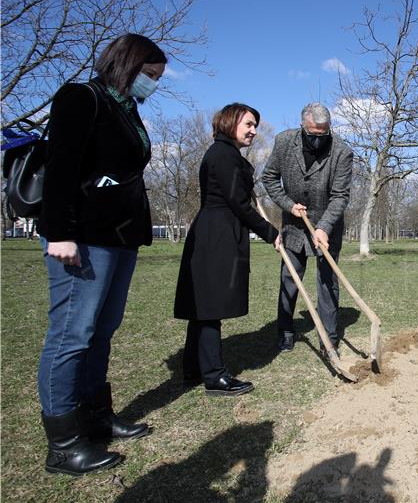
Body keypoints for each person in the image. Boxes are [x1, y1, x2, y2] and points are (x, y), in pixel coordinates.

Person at [36, 34, 167, 476]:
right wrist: (60, 232)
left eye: (158, 79)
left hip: (118, 239)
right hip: (82, 239)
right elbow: (62, 167)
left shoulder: (128, 110)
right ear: (126, 64)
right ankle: (64, 444)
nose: (153, 85)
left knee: (101, 330)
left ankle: (96, 417)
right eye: (150, 75)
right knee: (72, 334)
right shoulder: (81, 97)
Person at [174, 103, 278, 396]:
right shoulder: (223, 155)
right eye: (248, 124)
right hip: (216, 236)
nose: (254, 131)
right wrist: (271, 232)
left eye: (255, 125)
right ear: (230, 123)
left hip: (215, 231)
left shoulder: (225, 154)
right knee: (209, 307)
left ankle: (193, 369)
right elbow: (239, 203)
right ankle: (215, 377)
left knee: (202, 306)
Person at [262, 103, 353, 354]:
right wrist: (288, 205)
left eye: (323, 134)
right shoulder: (284, 142)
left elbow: (340, 196)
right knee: (289, 278)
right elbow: (269, 178)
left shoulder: (342, 152)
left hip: (327, 227)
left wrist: (323, 227)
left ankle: (329, 336)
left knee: (327, 281)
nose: (318, 140)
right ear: (303, 126)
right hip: (293, 225)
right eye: (312, 134)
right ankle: (285, 330)